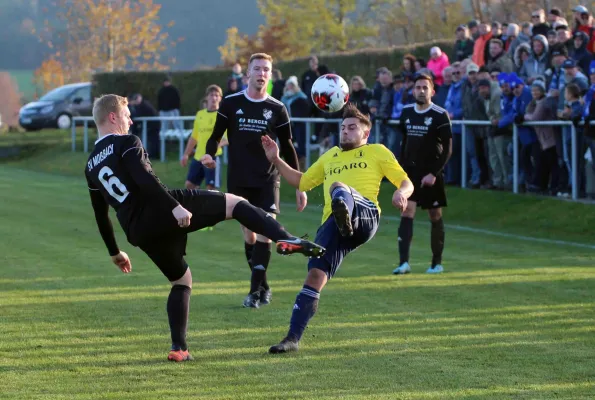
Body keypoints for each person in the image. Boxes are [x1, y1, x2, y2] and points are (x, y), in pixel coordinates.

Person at [85, 94, 325, 362]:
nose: (131, 119)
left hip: (136, 229)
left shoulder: (91, 163)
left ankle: (179, 349)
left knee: (181, 281)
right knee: (236, 204)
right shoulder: (126, 142)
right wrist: (173, 206)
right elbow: (144, 177)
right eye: (127, 114)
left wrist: (114, 251)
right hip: (161, 208)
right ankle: (286, 238)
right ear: (113, 117)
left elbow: (100, 213)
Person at [260, 103, 413, 353]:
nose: (345, 131)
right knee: (314, 277)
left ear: (366, 133)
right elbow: (301, 181)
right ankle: (292, 339)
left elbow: (406, 181)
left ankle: (340, 219)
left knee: (338, 189)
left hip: (365, 216)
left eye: (352, 128)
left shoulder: (377, 151)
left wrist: (400, 193)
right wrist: (276, 159)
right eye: (343, 127)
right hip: (333, 224)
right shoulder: (330, 155)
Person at [201, 53, 307, 309]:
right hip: (238, 178)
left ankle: (253, 293)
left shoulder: (277, 108)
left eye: (266, 70)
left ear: (270, 75)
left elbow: (289, 147)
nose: (261, 74)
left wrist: (300, 184)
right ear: (247, 74)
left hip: (268, 179)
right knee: (249, 235)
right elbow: (216, 135)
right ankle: (264, 286)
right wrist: (209, 153)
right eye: (257, 69)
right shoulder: (231, 103)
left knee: (265, 233)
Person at [392, 73, 453, 275]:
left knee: (434, 214)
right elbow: (403, 142)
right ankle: (404, 263)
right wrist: (399, 170)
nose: (421, 91)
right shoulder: (407, 112)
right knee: (407, 211)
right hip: (410, 174)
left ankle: (436, 263)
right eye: (418, 87)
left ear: (432, 91)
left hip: (430, 175)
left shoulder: (440, 114)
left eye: (425, 88)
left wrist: (434, 173)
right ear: (413, 90)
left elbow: (447, 149)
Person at [180, 85, 228, 191]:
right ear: (207, 97)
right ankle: (197, 206)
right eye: (211, 95)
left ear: (220, 98)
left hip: (213, 157)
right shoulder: (200, 114)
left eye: (217, 95)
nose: (214, 98)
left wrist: (215, 146)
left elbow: (228, 138)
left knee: (211, 189)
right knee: (189, 185)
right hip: (198, 157)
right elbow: (194, 137)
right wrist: (186, 154)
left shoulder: (223, 115)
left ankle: (212, 207)